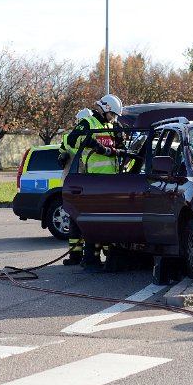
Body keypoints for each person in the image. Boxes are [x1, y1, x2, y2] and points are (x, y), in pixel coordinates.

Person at [63, 95, 126, 268]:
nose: (114, 118)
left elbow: (122, 147)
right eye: (112, 114)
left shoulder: (112, 126)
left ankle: (102, 257)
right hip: (94, 181)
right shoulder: (88, 123)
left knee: (108, 224)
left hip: (112, 181)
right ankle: (90, 259)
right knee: (94, 223)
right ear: (105, 109)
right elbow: (72, 139)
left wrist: (118, 144)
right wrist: (94, 143)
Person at [58, 108, 92, 265]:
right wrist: (62, 156)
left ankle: (82, 256)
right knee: (77, 220)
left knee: (79, 220)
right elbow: (61, 153)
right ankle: (77, 255)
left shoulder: (92, 137)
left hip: (80, 182)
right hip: (79, 183)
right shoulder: (71, 138)